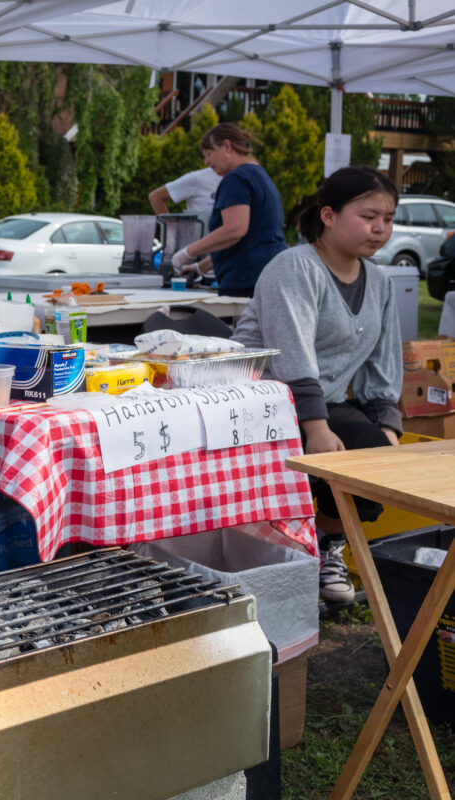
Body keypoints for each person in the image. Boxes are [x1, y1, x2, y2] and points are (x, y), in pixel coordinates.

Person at [232, 166, 402, 605]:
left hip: (322, 403)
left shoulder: (380, 282)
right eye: (368, 216)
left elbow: (383, 363)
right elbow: (291, 351)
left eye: (388, 217)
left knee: (380, 471)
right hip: (263, 402)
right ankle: (288, 559)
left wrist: (387, 424)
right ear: (328, 215)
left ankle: (323, 548)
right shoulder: (293, 267)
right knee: (332, 464)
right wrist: (316, 428)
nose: (379, 228)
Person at [171, 123, 287, 297]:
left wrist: (187, 252)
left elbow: (234, 230)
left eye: (209, 154)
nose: (206, 162)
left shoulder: (236, 179)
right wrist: (200, 267)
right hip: (269, 277)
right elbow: (249, 241)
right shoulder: (260, 176)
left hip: (246, 282)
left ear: (226, 146)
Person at [148, 166, 221, 228]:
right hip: (200, 241)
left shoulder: (230, 178)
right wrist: (171, 230)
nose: (206, 161)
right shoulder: (199, 178)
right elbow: (156, 196)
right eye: (207, 154)